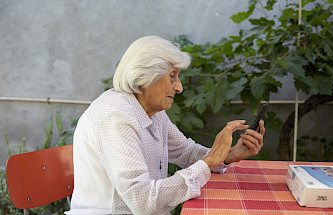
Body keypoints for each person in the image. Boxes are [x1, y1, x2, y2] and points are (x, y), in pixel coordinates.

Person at [65, 35, 265, 215]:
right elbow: (142, 203)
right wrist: (209, 161)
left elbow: (185, 152)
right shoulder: (116, 118)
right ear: (143, 77)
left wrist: (229, 155)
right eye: (172, 76)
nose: (179, 87)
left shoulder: (150, 110)